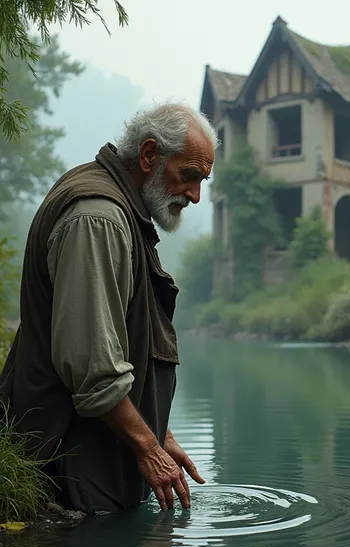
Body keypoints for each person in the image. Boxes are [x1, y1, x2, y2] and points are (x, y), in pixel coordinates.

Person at [0, 102, 218, 515]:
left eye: (202, 180)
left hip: (83, 459)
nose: (195, 195)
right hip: (65, 466)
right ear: (149, 154)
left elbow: (118, 346)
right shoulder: (98, 218)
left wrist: (159, 431)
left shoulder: (114, 204)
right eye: (189, 176)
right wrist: (148, 446)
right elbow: (91, 366)